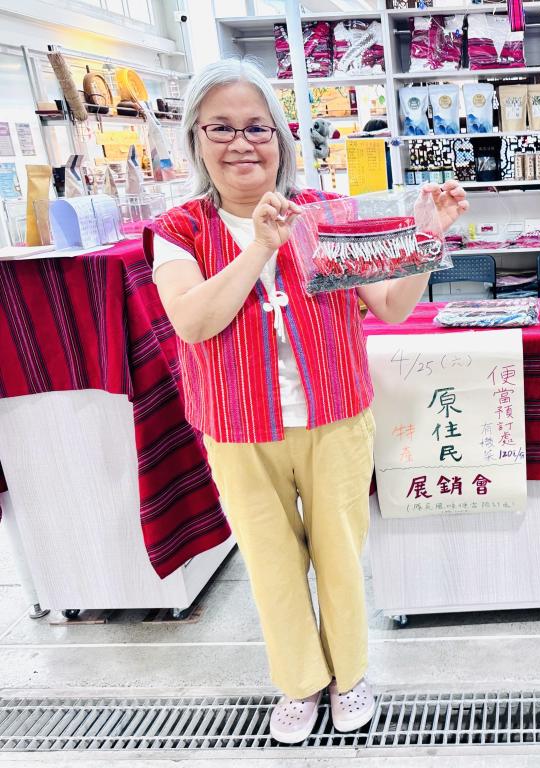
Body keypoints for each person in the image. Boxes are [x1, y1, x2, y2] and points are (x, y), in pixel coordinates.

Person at [148, 58, 468, 744]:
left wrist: (428, 236)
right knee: (271, 564)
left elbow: (390, 306)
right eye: (221, 128)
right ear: (196, 137)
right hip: (238, 426)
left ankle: (349, 675)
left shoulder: (327, 214)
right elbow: (193, 322)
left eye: (257, 127)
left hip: (336, 415)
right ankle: (299, 683)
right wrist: (258, 248)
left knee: (341, 558)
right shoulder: (178, 230)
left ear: (281, 136)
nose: (241, 143)